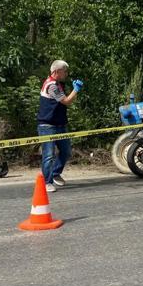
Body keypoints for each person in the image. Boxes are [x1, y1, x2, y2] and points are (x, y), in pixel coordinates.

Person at [37, 60, 83, 192]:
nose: (66, 74)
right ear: (56, 71)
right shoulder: (51, 86)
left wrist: (73, 90)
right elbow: (66, 101)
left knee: (66, 151)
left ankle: (55, 173)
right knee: (48, 155)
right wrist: (76, 90)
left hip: (60, 124)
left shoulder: (58, 83)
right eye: (65, 71)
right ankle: (47, 182)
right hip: (47, 125)